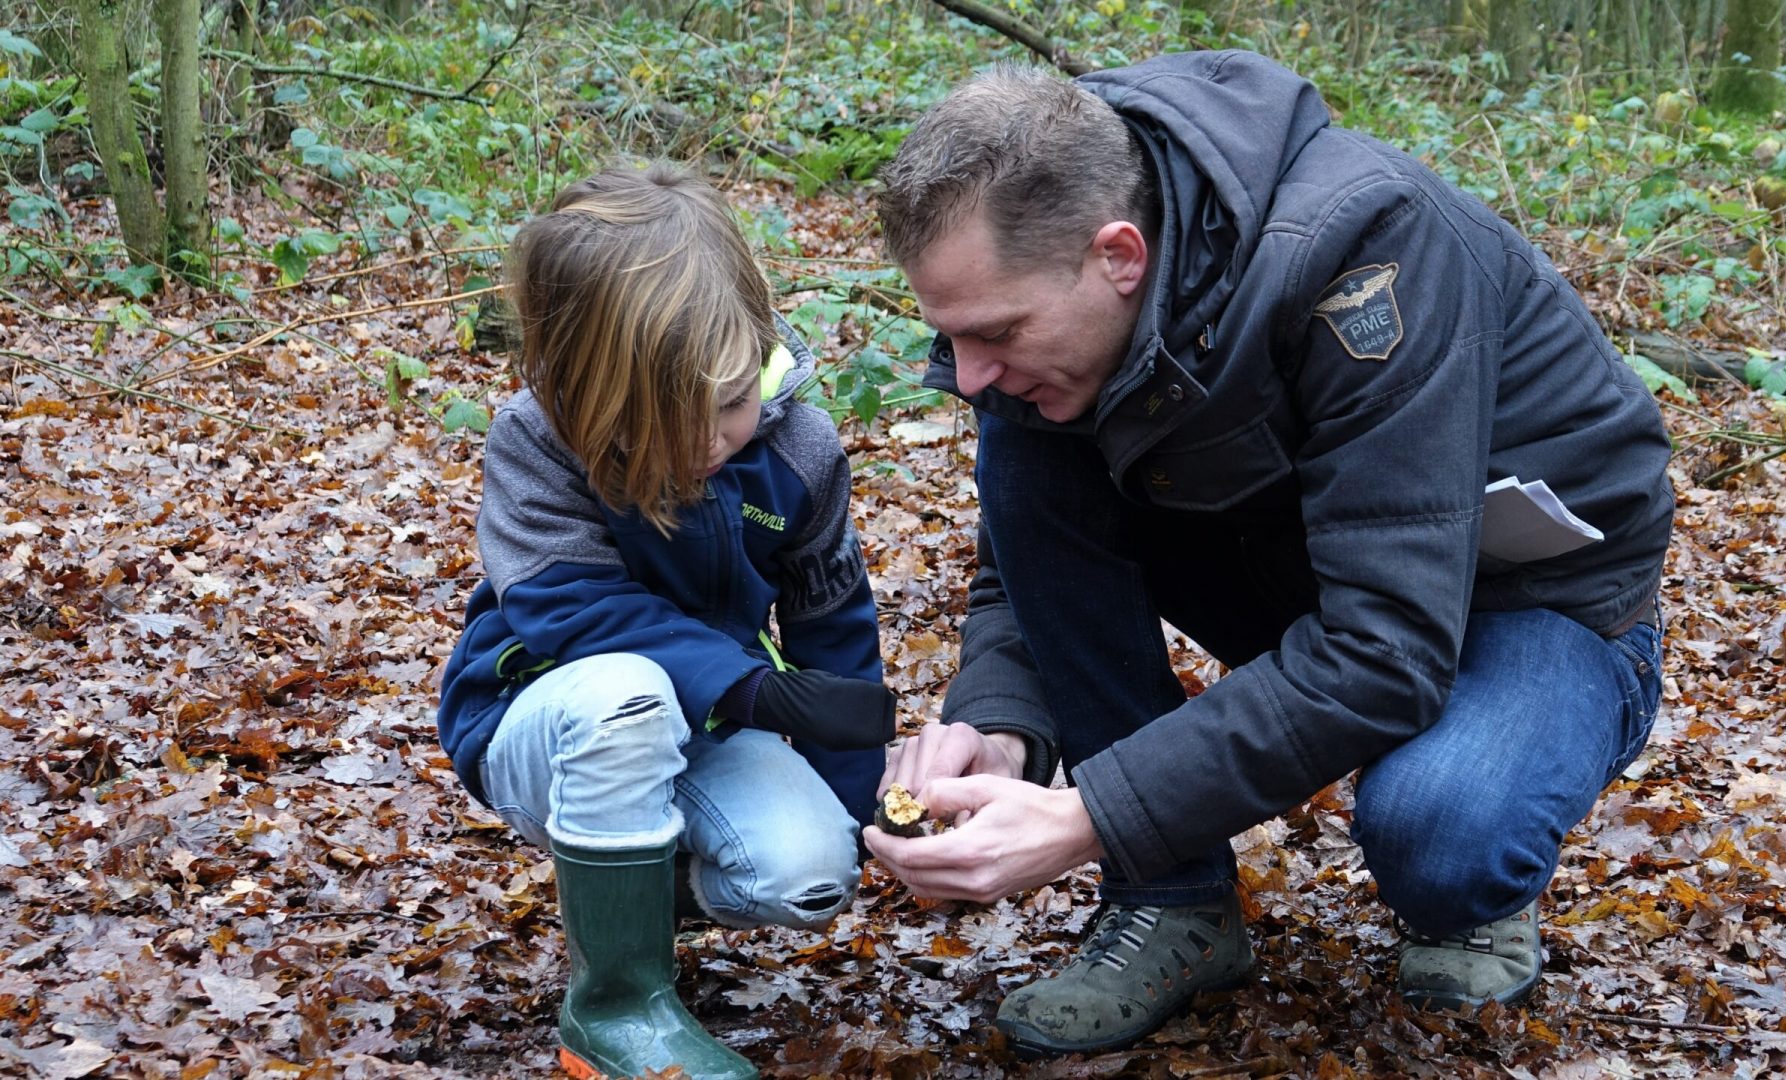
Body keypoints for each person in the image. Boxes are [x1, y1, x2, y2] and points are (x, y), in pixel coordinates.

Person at [862, 52, 1673, 1055]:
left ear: (1120, 255)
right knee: (1028, 453)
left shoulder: (1371, 251)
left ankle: (1506, 798)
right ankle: (1173, 904)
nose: (969, 372)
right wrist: (1001, 725)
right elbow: (1031, 556)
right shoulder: (1056, 305)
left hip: (1535, 593)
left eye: (994, 333)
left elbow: (1382, 650)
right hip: (1308, 564)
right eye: (953, 336)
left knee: (1444, 836)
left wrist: (1091, 815)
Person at [437, 163, 895, 1080]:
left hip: (708, 723)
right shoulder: (538, 442)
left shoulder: (798, 451)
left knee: (810, 873)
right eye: (660, 420)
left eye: (726, 407)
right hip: (546, 712)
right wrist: (748, 686)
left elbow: (831, 617)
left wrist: (858, 801)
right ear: (585, 388)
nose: (702, 445)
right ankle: (613, 1010)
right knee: (628, 691)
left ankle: (625, 901)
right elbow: (570, 607)